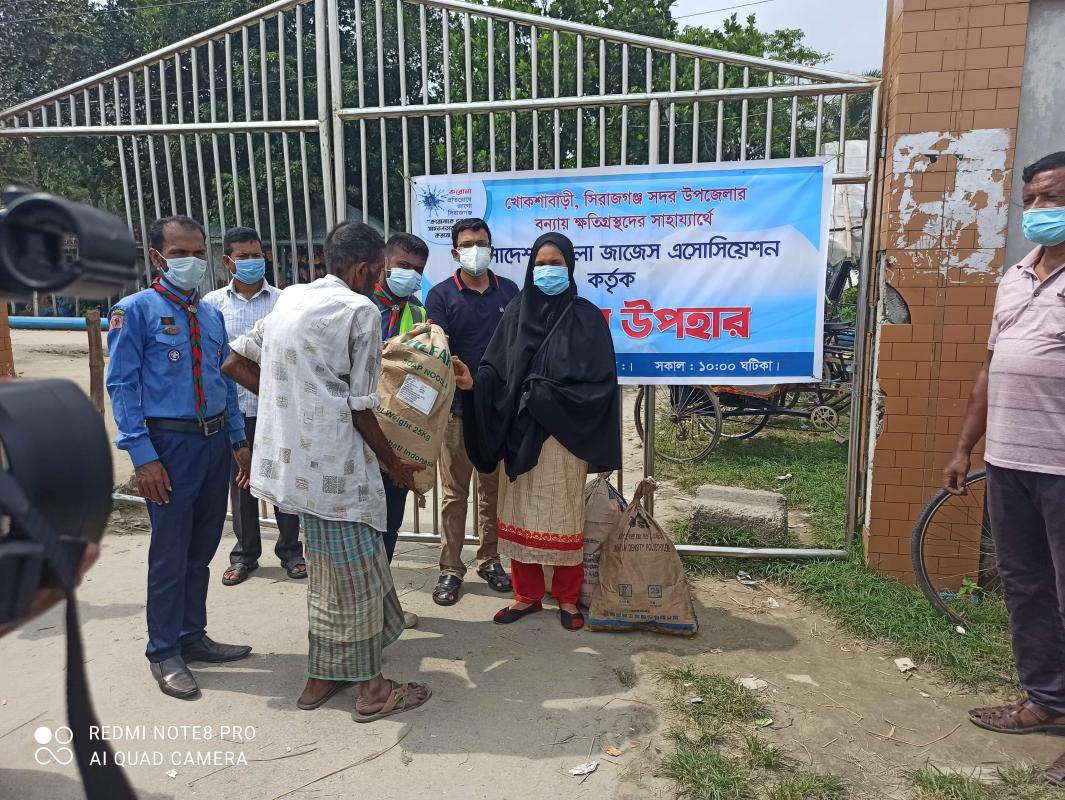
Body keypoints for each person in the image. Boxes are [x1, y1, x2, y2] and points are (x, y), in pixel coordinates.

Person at [222, 221, 431, 721]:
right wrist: (395, 463)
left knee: (326, 577)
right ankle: (373, 691)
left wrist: (286, 403)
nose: (380, 279)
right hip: (338, 473)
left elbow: (233, 361)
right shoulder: (360, 311)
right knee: (358, 579)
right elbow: (361, 406)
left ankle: (321, 677)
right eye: (380, 270)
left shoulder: (290, 297)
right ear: (363, 268)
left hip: (293, 469)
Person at [944, 151, 1065, 787]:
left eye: (1055, 198)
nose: (1042, 212)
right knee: (1026, 585)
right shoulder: (1017, 276)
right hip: (1009, 461)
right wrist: (965, 447)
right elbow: (991, 369)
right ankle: (1046, 699)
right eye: (1035, 201)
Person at [106, 215, 253, 700]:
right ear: (157, 257)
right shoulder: (135, 312)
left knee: (203, 546)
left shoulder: (210, 314)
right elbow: (122, 387)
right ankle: (164, 650)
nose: (191, 261)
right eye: (180, 253)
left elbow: (224, 381)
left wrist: (237, 440)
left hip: (213, 444)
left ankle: (193, 635)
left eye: (197, 252)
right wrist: (143, 456)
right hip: (169, 446)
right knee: (170, 552)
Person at [453, 232, 621, 631]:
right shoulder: (516, 311)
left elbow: (601, 383)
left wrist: (545, 395)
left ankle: (566, 597)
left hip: (565, 434)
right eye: (541, 264)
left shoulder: (587, 318)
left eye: (556, 263)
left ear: (571, 267)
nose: (548, 271)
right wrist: (473, 384)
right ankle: (527, 595)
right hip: (520, 433)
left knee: (565, 516)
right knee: (521, 514)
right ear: (531, 268)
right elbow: (496, 370)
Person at [424, 218, 519, 606]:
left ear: (491, 247)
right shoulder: (441, 295)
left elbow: (517, 349)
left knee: (493, 492)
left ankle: (490, 558)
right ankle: (450, 567)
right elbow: (438, 347)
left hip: (495, 411)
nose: (474, 249)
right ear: (454, 252)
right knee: (454, 493)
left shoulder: (510, 292)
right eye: (467, 244)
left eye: (481, 242)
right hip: (456, 410)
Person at [203, 227, 305, 586]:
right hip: (234, 412)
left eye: (257, 254)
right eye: (243, 257)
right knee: (241, 483)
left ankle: (292, 552)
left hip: (275, 409)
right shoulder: (212, 305)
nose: (252, 261)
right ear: (228, 261)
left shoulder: (284, 300)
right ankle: (245, 555)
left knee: (284, 481)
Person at [371, 232, 430, 629]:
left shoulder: (421, 315)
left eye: (417, 270)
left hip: (394, 436)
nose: (409, 275)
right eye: (403, 266)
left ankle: (381, 609)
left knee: (390, 523)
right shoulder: (358, 305)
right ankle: (363, 612)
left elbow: (423, 373)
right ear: (383, 263)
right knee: (361, 528)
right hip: (353, 432)